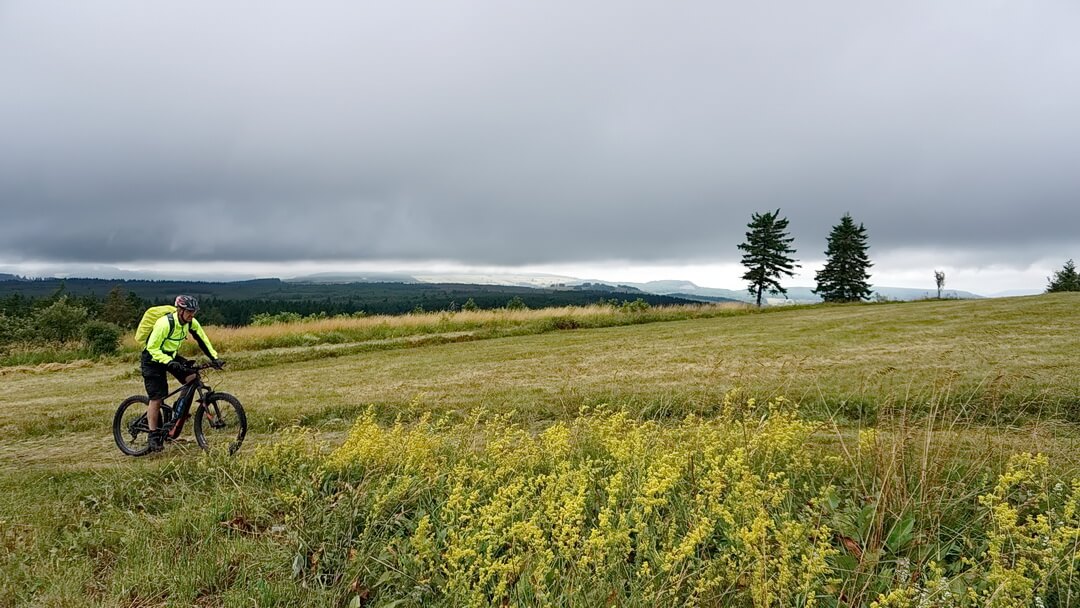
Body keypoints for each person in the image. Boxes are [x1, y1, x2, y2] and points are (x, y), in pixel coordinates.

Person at [141, 295, 223, 452]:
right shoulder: (164, 323)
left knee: (192, 377)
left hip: (170, 356)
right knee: (157, 398)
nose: (192, 315)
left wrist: (214, 358)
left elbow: (202, 339)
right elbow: (152, 348)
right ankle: (153, 435)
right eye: (189, 312)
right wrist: (169, 362)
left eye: (194, 312)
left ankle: (178, 410)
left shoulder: (190, 322)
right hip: (152, 359)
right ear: (180, 310)